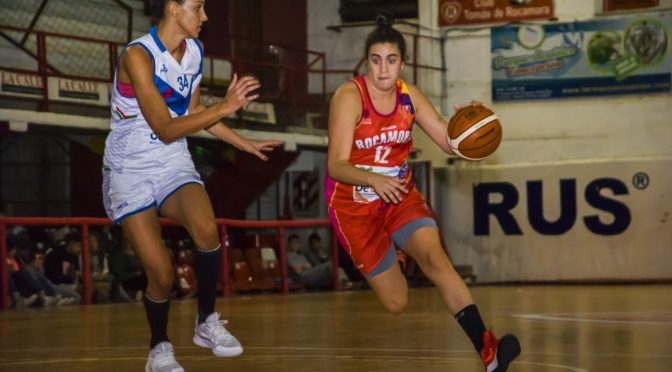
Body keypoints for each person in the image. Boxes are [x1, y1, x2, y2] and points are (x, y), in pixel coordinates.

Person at [325, 13, 521, 372]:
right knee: (397, 302)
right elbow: (336, 166)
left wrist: (467, 127)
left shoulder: (410, 96)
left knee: (435, 259)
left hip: (399, 195)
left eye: (392, 60)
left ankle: (487, 349)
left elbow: (448, 142)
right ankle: (391, 253)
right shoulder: (349, 97)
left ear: (403, 62)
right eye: (376, 60)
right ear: (366, 61)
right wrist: (372, 179)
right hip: (354, 205)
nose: (383, 69)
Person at [101, 0, 283, 370]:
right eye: (197, 7)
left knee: (206, 227)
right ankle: (159, 348)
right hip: (129, 170)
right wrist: (227, 106)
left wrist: (241, 141)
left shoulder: (194, 53)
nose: (205, 16)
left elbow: (192, 113)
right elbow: (165, 128)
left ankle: (206, 322)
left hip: (171, 162)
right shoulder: (138, 57)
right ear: (173, 9)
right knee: (162, 274)